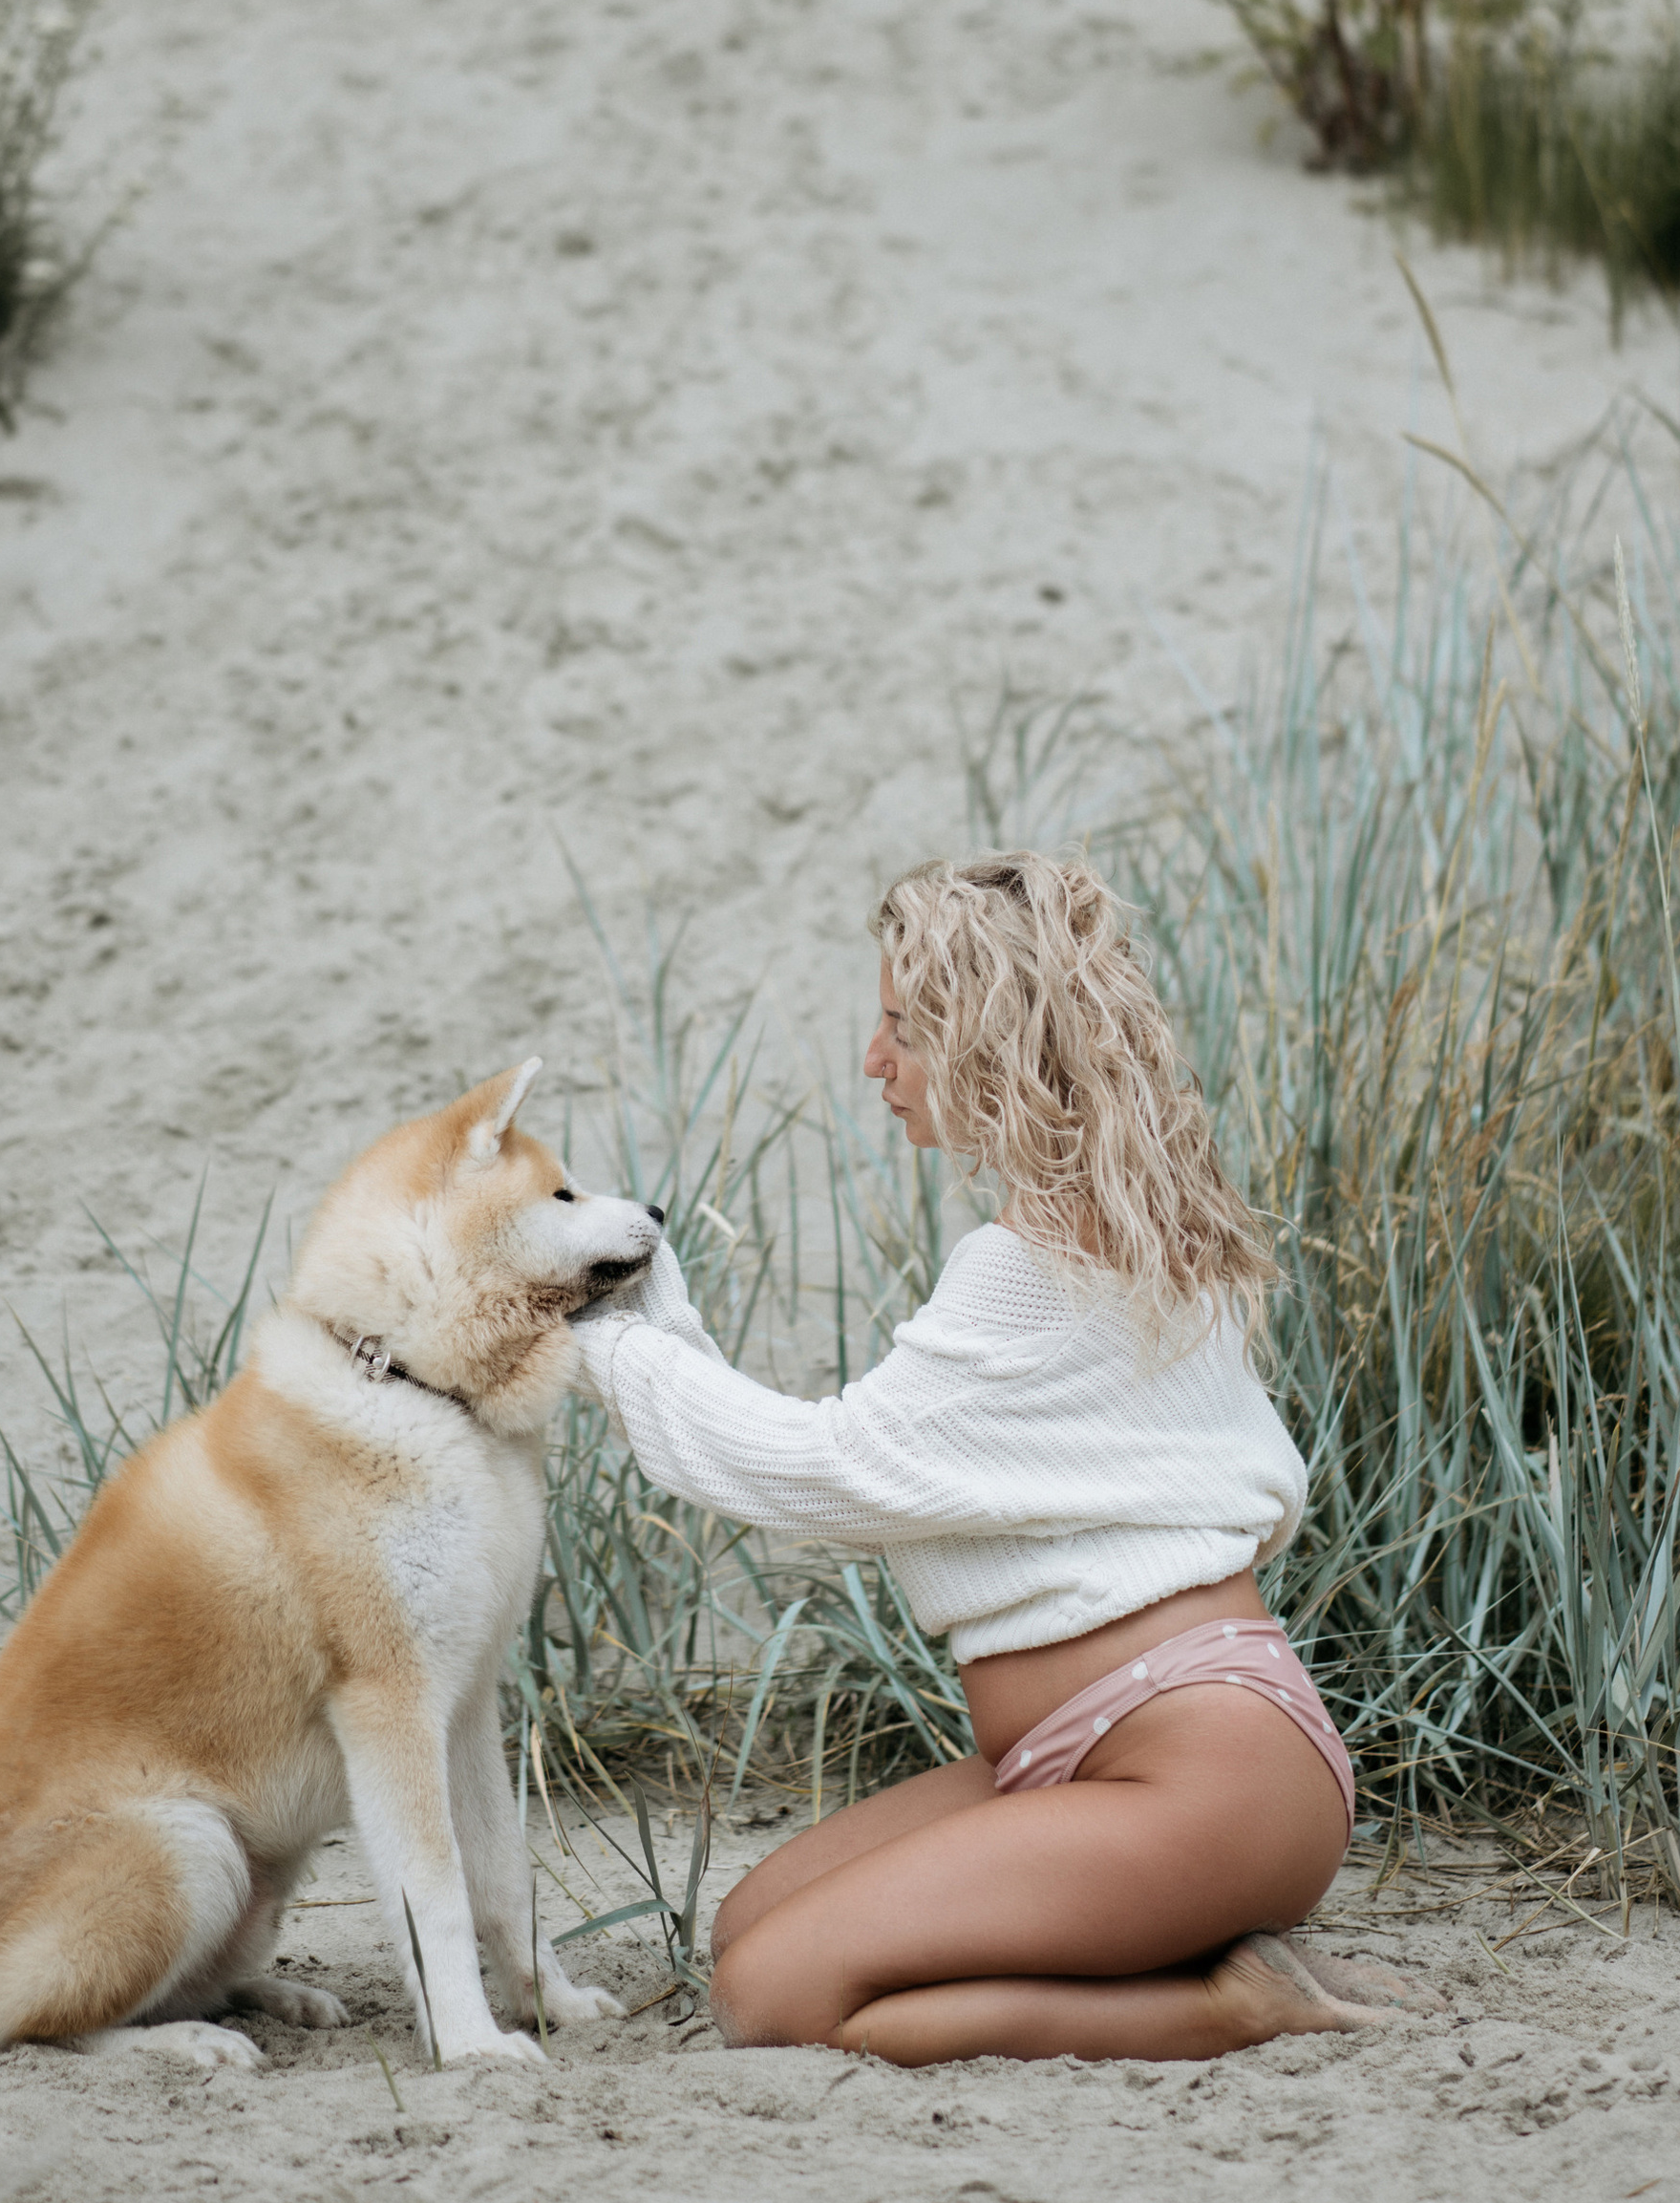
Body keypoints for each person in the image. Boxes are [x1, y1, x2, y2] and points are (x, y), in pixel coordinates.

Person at [568, 852, 1431, 2064]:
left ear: (989, 1042)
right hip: (1098, 1758)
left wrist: (598, 1341)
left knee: (770, 1994)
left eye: (903, 1027)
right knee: (749, 1923)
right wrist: (646, 1334)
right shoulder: (1130, 1224)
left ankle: (1228, 2001)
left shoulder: (1029, 1267)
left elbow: (830, 1468)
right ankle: (1179, 1933)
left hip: (1202, 1775)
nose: (875, 1059)